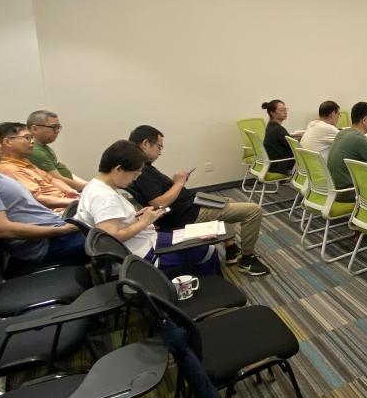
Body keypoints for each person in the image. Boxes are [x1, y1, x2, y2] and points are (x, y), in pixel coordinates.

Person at [126, 125, 270, 276]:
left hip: (189, 205)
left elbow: (157, 194)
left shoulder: (142, 167)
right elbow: (159, 203)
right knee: (254, 211)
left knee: (228, 201)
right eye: (159, 147)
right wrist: (179, 183)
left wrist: (174, 182)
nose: (160, 152)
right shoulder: (142, 171)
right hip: (188, 214)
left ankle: (231, 249)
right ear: (145, 144)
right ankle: (247, 260)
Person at [0, 119, 86, 271]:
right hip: (48, 245)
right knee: (108, 235)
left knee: (104, 222)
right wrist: (64, 229)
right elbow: (3, 229)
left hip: (56, 232)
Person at [77, 140, 221, 275]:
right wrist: (144, 222)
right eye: (134, 174)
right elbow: (111, 236)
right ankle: (205, 289)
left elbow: (112, 222)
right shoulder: (105, 197)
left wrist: (138, 218)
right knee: (207, 250)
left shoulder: (94, 185)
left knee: (195, 239)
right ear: (119, 169)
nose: (134, 179)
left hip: (142, 243)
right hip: (144, 253)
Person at [0, 122, 80, 210]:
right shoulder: (10, 169)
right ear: (8, 142)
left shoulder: (24, 161)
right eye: (27, 137)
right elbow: (38, 199)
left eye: (32, 137)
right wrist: (76, 202)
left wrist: (69, 191)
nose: (32, 141)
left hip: (67, 203)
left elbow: (51, 179)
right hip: (58, 212)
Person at [327, 102, 367, 197]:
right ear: (364, 120)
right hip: (348, 192)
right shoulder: (358, 138)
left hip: (333, 189)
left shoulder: (342, 133)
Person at [27, 109, 87, 191]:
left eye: (58, 127)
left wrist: (88, 185)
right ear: (35, 129)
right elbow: (58, 180)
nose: (57, 131)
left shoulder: (44, 147)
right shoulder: (34, 151)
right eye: (54, 127)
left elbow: (61, 170)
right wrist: (89, 188)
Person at [260, 99, 294, 175]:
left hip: (273, 163)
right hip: (280, 165)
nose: (285, 112)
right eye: (281, 110)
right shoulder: (278, 129)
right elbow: (294, 146)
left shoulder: (271, 126)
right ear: (272, 113)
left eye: (285, 109)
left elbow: (285, 140)